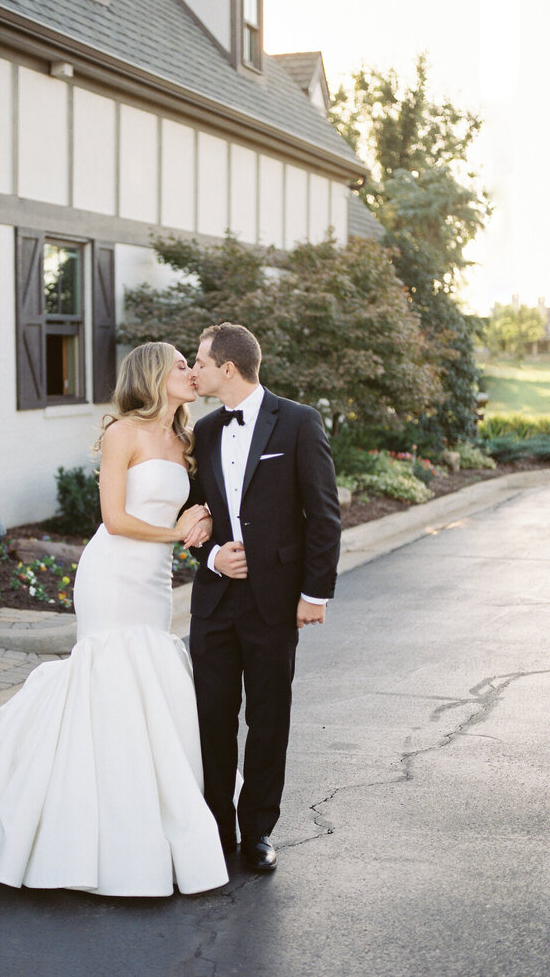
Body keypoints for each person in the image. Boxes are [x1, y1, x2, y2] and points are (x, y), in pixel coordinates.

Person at [0, 342, 229, 897]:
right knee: (111, 678)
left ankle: (149, 812)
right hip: (112, 572)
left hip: (152, 580)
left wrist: (202, 517)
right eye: (181, 365)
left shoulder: (187, 440)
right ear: (154, 374)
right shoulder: (123, 433)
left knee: (149, 684)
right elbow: (116, 519)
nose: (191, 373)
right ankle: (79, 827)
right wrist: (177, 530)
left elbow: (198, 502)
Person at [187, 322, 341, 873]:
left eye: (199, 362)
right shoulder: (203, 432)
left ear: (227, 368)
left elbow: (324, 514)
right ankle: (215, 832)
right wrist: (209, 558)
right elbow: (189, 521)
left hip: (275, 602)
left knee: (269, 719)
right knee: (212, 719)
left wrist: (315, 594)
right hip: (213, 605)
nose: (193, 370)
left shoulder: (298, 422)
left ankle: (257, 833)